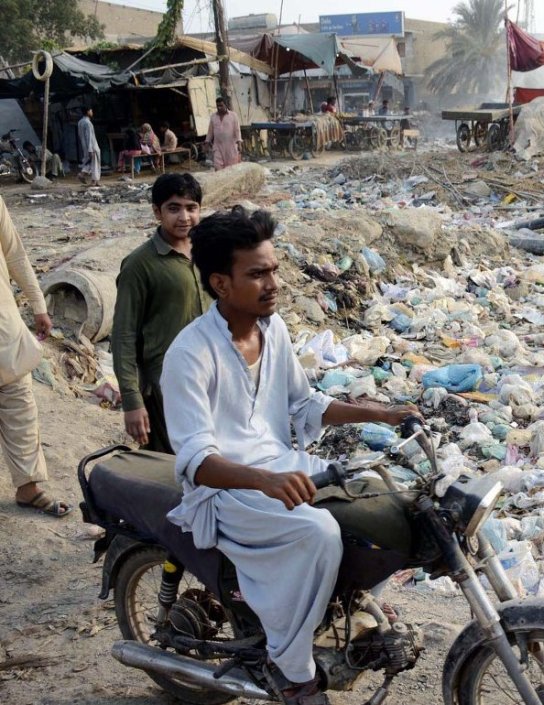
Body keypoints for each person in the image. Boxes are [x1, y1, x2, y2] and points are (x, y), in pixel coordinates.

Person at [162, 206, 417, 705]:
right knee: (319, 530)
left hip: (281, 469)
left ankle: (339, 610)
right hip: (225, 493)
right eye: (257, 274)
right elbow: (194, 460)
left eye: (273, 269)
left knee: (383, 505)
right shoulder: (189, 354)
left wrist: (378, 413)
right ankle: (291, 666)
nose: (273, 282)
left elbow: (305, 404)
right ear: (219, 283)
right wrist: (263, 481)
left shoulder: (272, 330)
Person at [112, 174, 207, 454]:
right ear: (157, 212)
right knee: (173, 464)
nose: (184, 217)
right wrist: (132, 400)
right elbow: (123, 335)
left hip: (210, 374)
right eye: (174, 208)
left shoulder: (207, 253)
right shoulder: (139, 265)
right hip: (165, 384)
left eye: (191, 208)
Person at [0, 195, 71, 518]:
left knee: (21, 408)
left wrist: (38, 305)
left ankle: (28, 487)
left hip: (4, 327)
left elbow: (15, 254)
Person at [206, 98, 242, 171]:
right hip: (218, 146)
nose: (219, 108)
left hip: (231, 146)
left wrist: (239, 143)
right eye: (217, 106)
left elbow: (237, 130)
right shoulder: (213, 117)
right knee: (217, 166)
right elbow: (210, 131)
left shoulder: (233, 116)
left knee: (231, 168)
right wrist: (207, 142)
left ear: (226, 105)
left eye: (221, 105)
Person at [77, 107, 101, 185]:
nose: (92, 112)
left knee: (89, 162)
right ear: (88, 112)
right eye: (91, 111)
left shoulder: (80, 122)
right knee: (95, 163)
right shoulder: (88, 123)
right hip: (92, 146)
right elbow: (89, 137)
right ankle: (93, 180)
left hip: (84, 146)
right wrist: (90, 149)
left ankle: (95, 180)